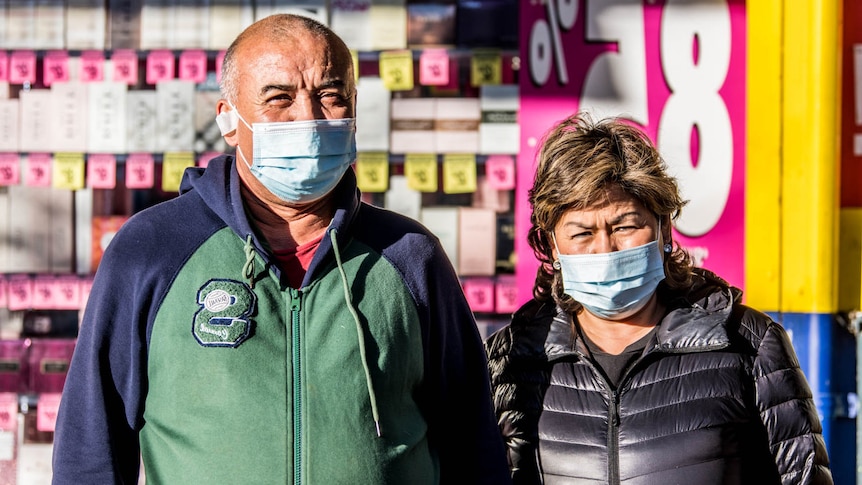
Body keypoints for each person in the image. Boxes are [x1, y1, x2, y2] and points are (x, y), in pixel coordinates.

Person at [52, 14, 510, 484]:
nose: (308, 118)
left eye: (331, 97)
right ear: (229, 119)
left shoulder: (410, 256)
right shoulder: (153, 249)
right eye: (279, 99)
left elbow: (470, 442)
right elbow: (92, 444)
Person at [485, 113, 833, 484]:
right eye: (582, 233)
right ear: (552, 245)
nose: (605, 249)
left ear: (664, 229)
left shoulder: (748, 343)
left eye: (625, 227)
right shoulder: (512, 360)